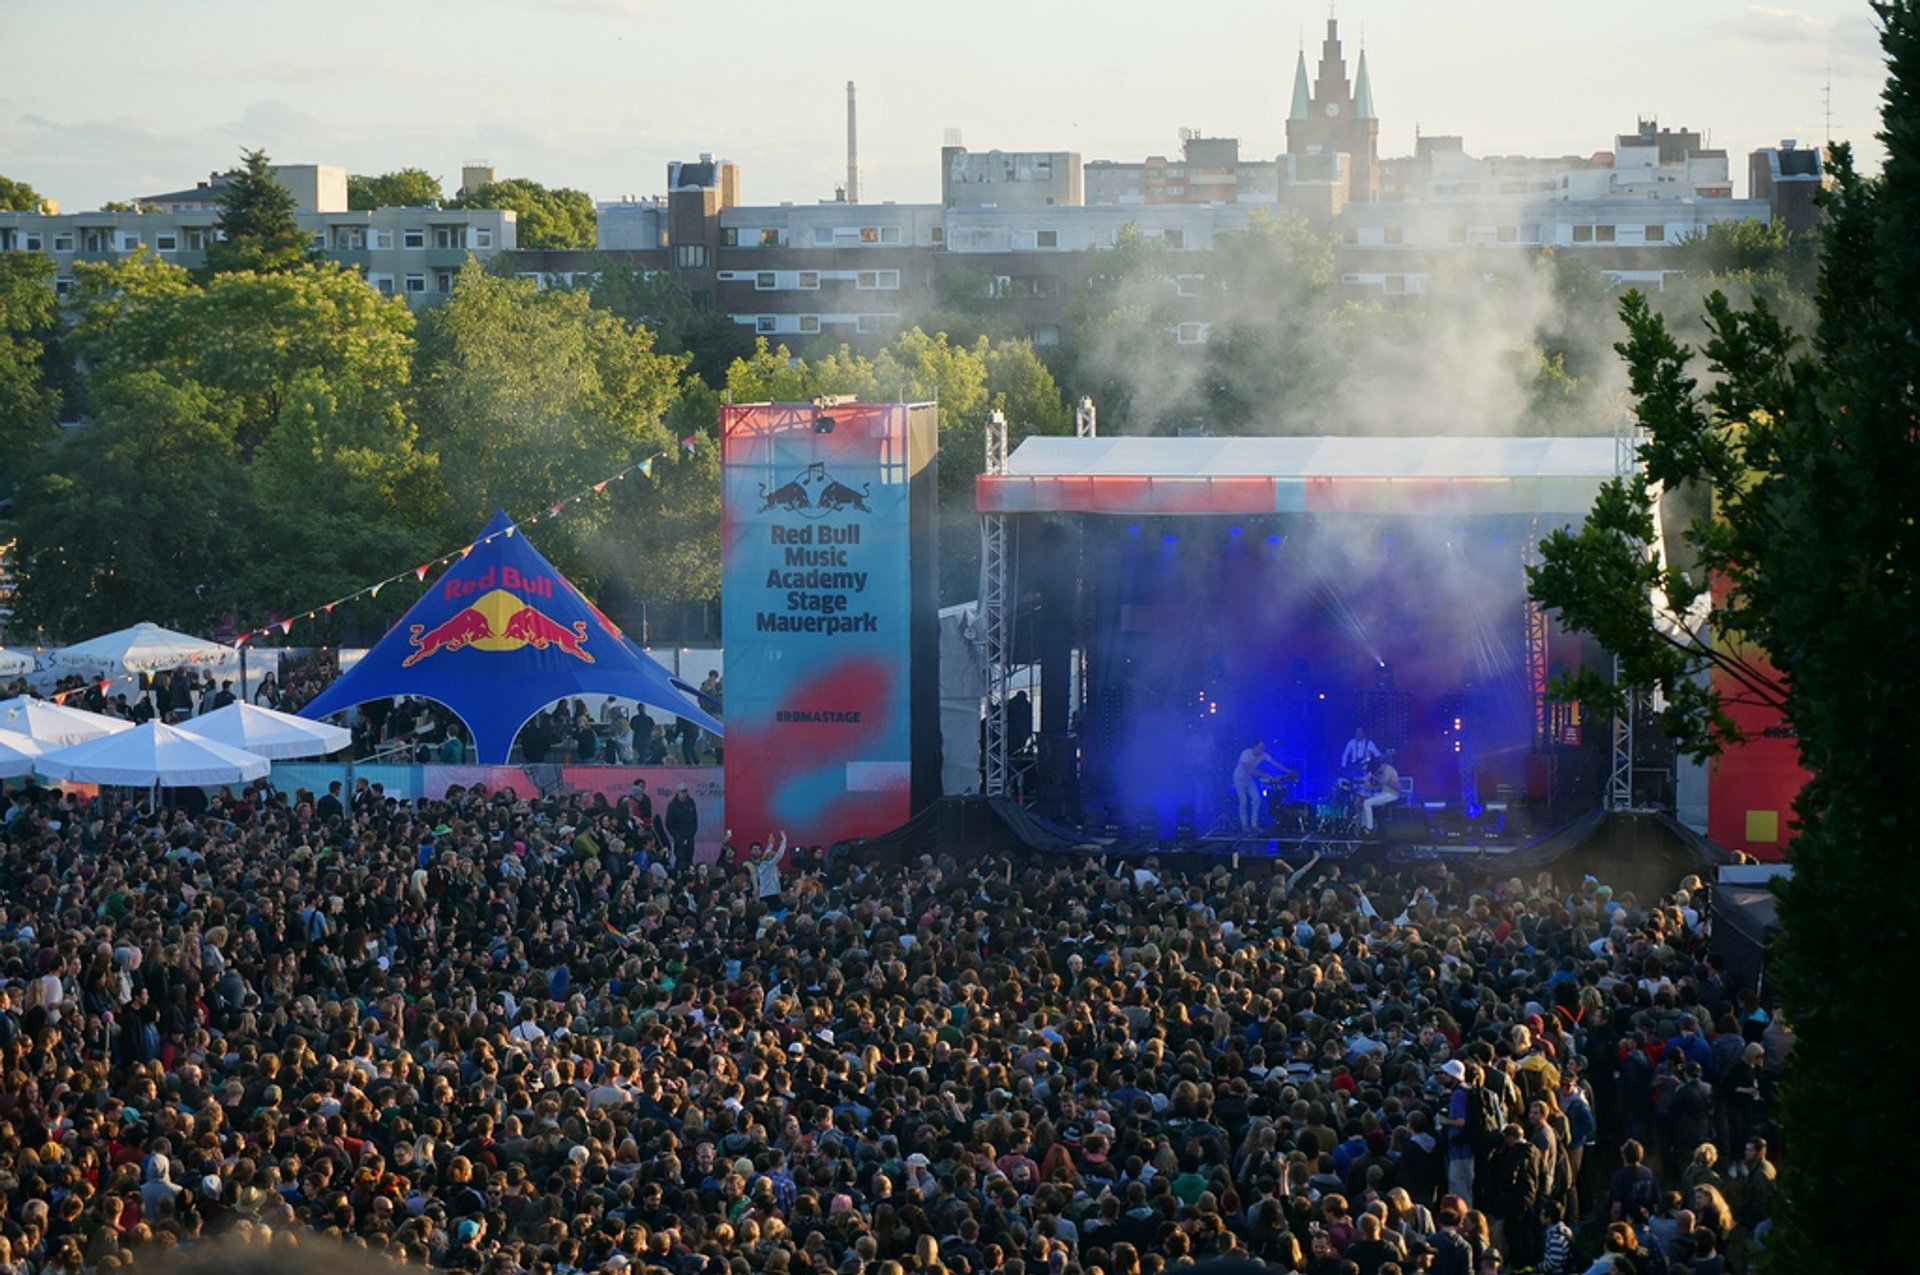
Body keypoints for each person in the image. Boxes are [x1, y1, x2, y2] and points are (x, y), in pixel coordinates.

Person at [1231, 737, 1290, 832]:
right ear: (1255, 746)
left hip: (1248, 780)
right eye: (1260, 748)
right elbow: (1249, 770)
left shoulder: (1263, 755)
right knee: (1243, 801)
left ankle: (1254, 825)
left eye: (1263, 748)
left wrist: (1288, 771)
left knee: (1257, 799)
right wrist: (1267, 776)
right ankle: (1244, 825)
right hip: (1239, 779)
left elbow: (1275, 763)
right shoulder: (1246, 754)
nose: (1262, 750)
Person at [1362, 754, 1401, 833]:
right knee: (1365, 799)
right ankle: (1364, 824)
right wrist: (1371, 788)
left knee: (1367, 803)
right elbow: (1380, 786)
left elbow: (1399, 787)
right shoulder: (1382, 771)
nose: (1377, 771)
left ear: (1382, 765)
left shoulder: (1390, 771)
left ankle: (1369, 827)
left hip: (1391, 795)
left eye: (1378, 769)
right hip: (1384, 793)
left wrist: (1389, 782)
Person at [665, 782, 699, 868]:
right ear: (678, 793)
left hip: (690, 836)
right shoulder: (672, 806)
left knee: (689, 856)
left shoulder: (691, 803)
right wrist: (676, 835)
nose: (684, 794)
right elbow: (669, 823)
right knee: (681, 858)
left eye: (685, 792)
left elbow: (694, 818)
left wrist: (693, 831)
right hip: (679, 837)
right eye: (682, 792)